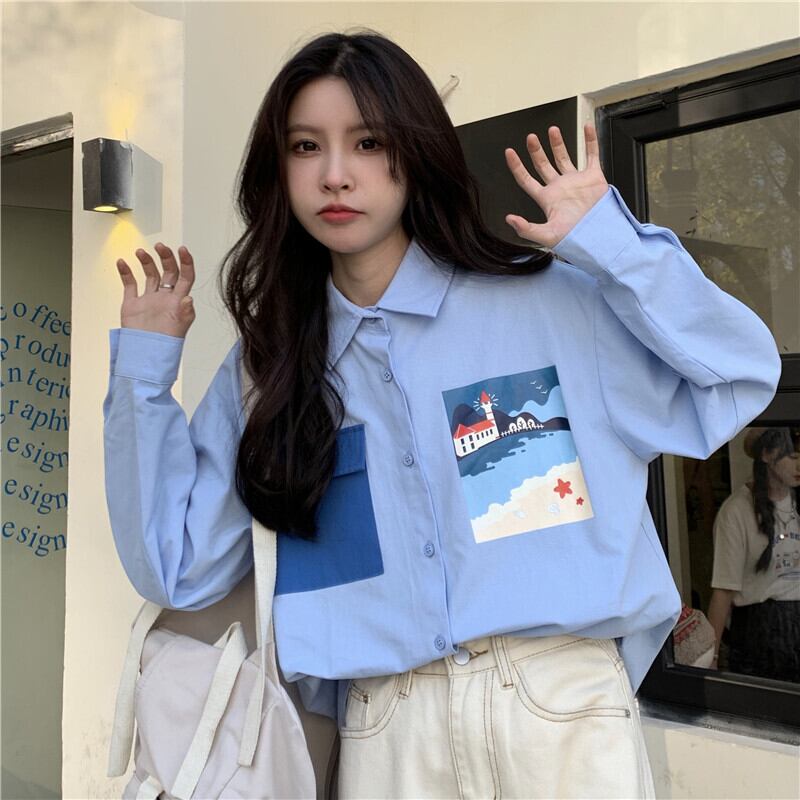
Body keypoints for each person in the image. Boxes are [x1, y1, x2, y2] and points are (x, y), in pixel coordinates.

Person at [104, 30, 781, 799]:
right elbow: (177, 566)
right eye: (305, 146)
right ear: (278, 169)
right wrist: (143, 377)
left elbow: (737, 377)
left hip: (559, 716)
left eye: (368, 142)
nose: (335, 174)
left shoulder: (547, 305)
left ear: (415, 149)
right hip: (387, 733)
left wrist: (616, 247)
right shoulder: (270, 370)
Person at [707, 427, 800, 681]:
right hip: (759, 634)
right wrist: (711, 658)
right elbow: (724, 590)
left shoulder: (796, 502)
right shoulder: (736, 511)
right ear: (767, 455)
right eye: (792, 456)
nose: (798, 465)